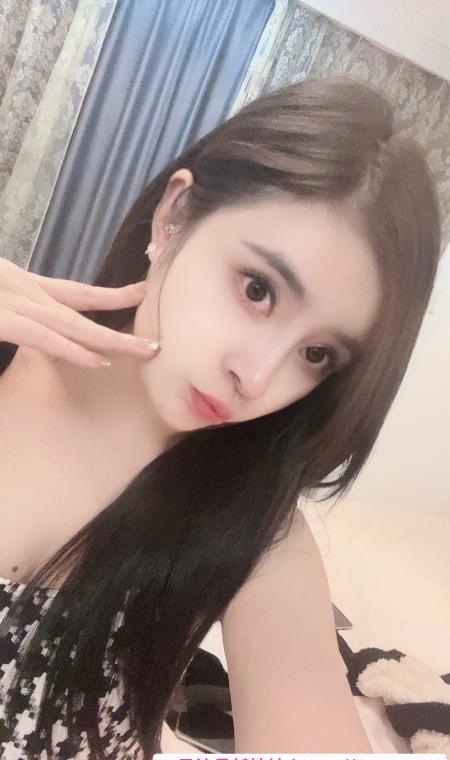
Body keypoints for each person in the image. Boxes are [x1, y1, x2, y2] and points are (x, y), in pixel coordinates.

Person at [0, 75, 441, 759]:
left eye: (317, 354)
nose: (257, 377)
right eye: (258, 289)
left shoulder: (252, 532)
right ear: (174, 215)